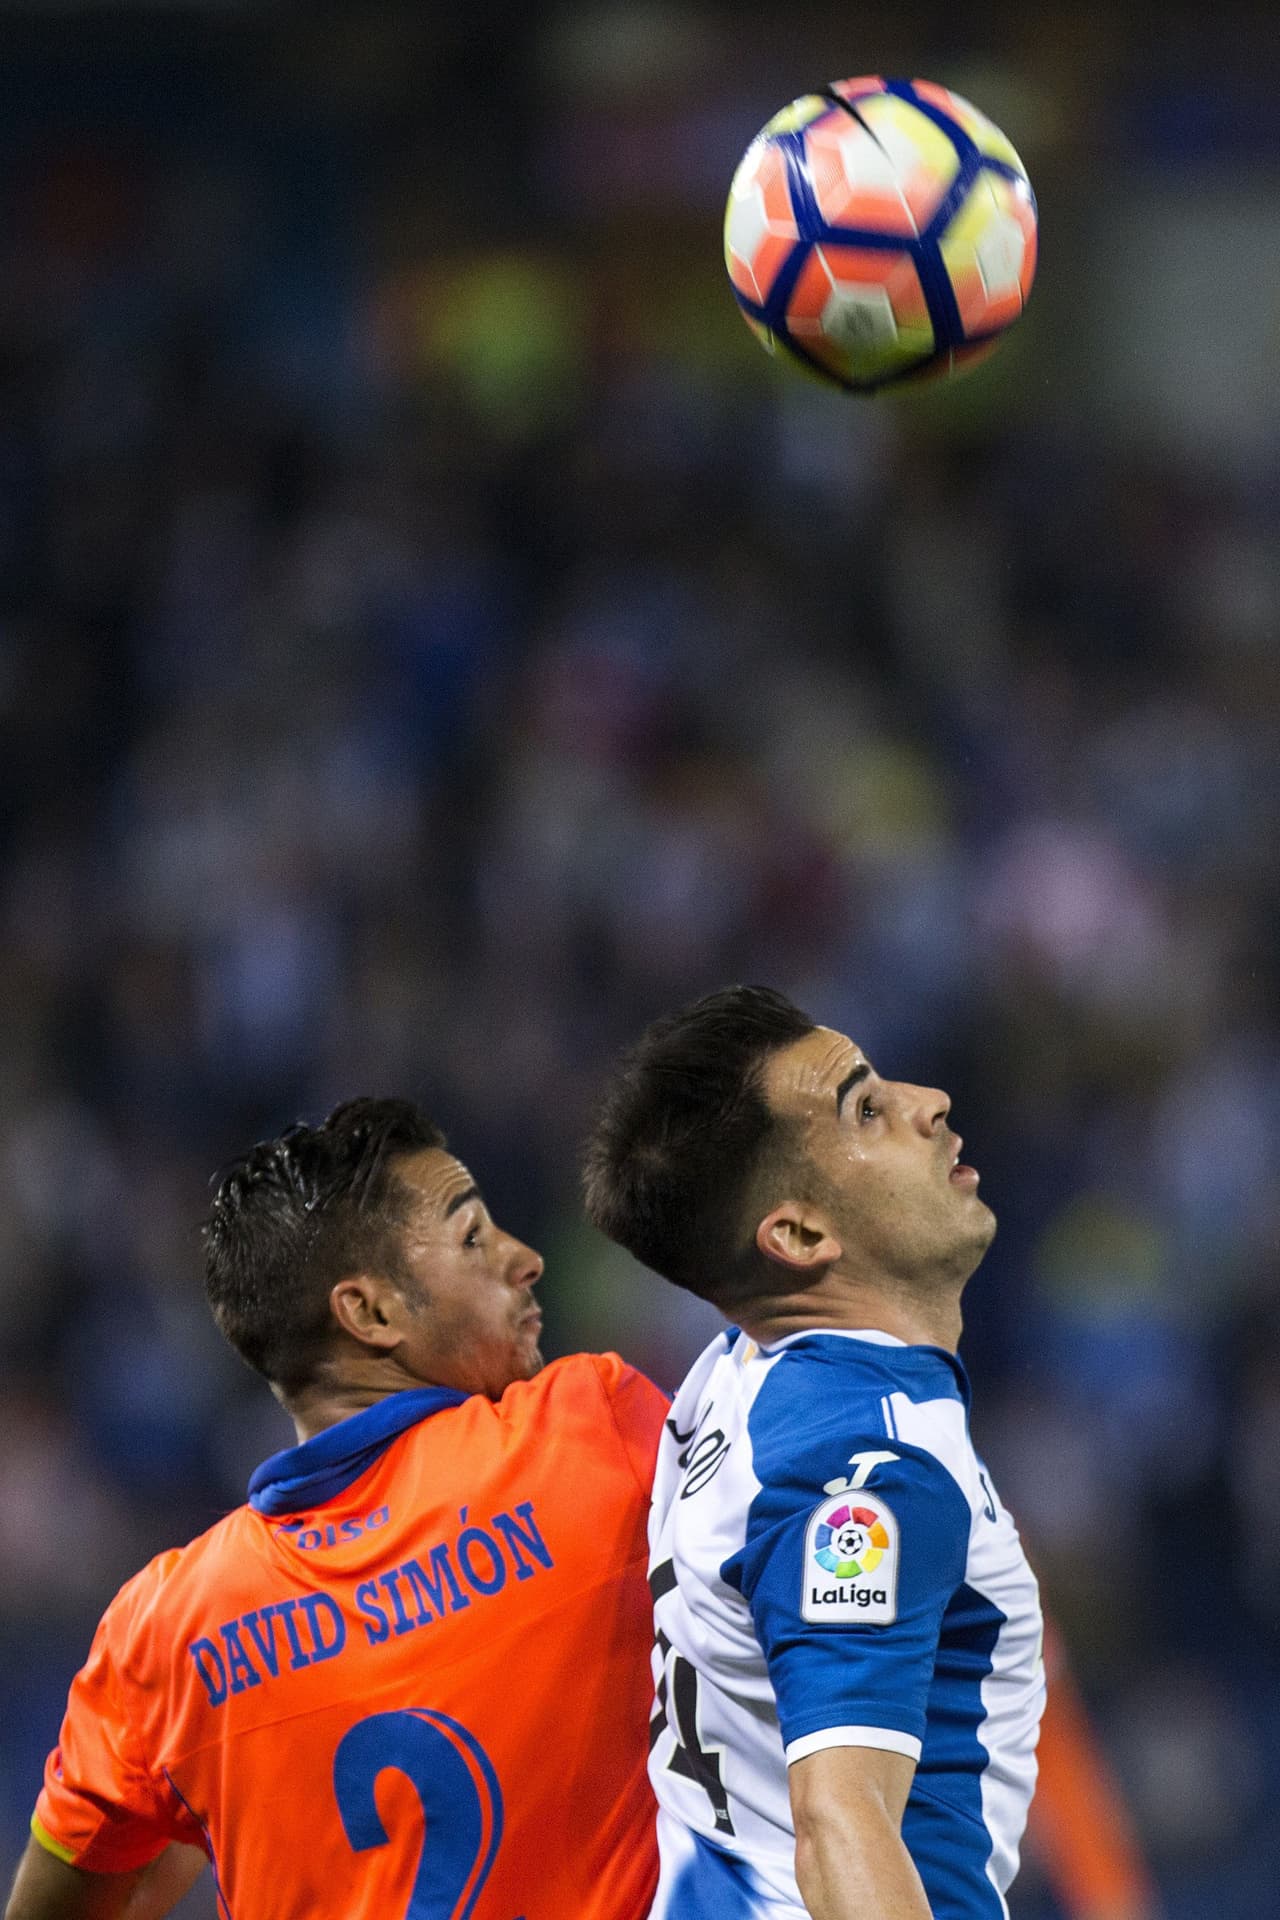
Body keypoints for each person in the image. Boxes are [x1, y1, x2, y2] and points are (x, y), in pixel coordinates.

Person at [7, 1098, 667, 1920]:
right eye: (473, 1237)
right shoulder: (589, 1427)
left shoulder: (164, 1631)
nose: (525, 1259)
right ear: (370, 1313)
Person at [583, 984, 1046, 1920]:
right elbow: (840, 1821)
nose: (929, 1103)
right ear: (797, 1236)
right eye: (865, 1110)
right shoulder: (867, 1469)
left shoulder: (738, 1372)